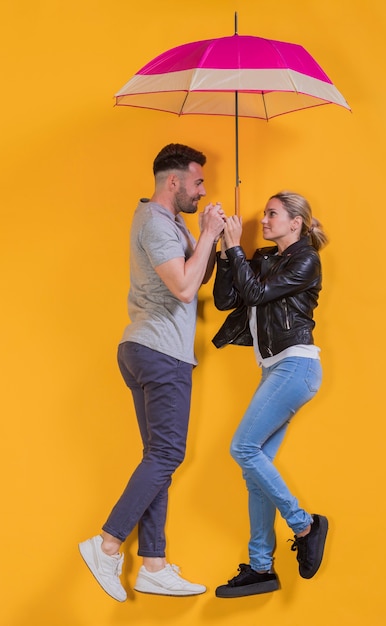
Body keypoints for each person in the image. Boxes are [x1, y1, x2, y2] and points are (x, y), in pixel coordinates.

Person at [79, 143, 225, 601]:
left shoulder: (173, 225)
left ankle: (154, 564)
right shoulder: (155, 223)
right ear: (174, 181)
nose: (203, 190)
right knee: (166, 456)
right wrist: (204, 236)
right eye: (198, 182)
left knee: (158, 460)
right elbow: (184, 287)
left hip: (151, 350)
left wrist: (212, 236)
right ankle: (106, 545)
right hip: (159, 352)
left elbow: (196, 275)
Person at [212, 191, 329, 598]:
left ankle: (304, 524)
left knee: (243, 448)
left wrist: (234, 248)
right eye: (264, 213)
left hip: (296, 365)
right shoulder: (263, 257)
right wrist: (229, 253)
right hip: (273, 370)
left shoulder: (305, 259)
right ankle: (261, 567)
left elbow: (259, 295)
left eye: (272, 214)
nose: (264, 219)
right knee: (253, 468)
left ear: (295, 222)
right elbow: (229, 298)